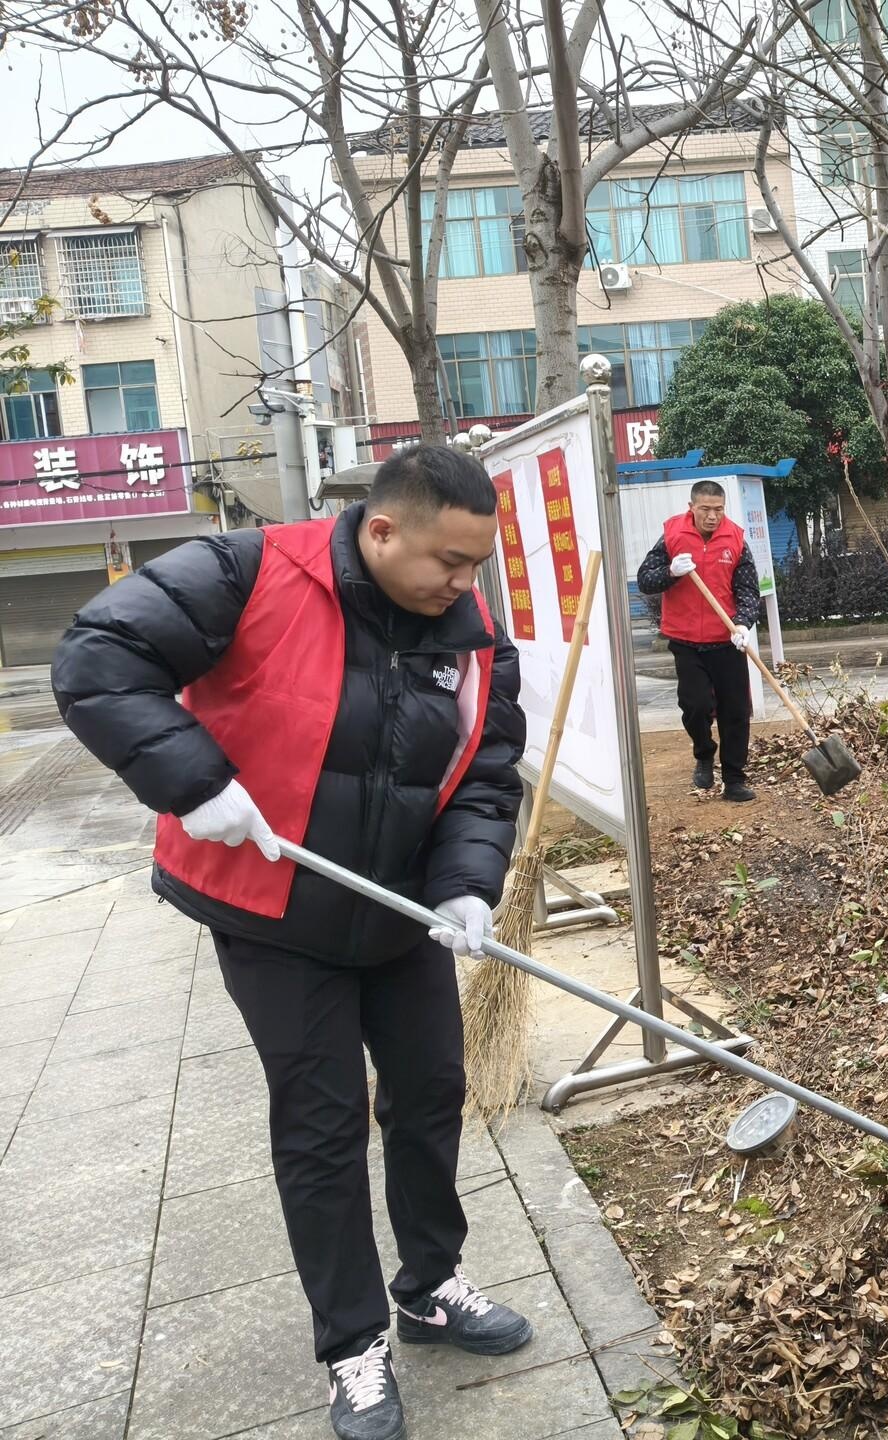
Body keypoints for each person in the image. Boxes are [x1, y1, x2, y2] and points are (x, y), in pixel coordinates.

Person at [53, 446, 532, 1440]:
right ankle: (353, 1346)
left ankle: (432, 1285)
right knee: (320, 1124)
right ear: (382, 528)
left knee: (432, 1090)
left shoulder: (474, 638)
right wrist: (194, 780)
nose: (464, 584)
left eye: (476, 565)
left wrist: (468, 887)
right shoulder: (248, 572)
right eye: (449, 560)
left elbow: (486, 771)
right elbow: (98, 660)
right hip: (273, 912)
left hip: (399, 909)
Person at [636, 479, 762, 801]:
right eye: (705, 509)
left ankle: (734, 779)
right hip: (686, 640)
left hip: (726, 639)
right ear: (691, 507)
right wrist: (671, 572)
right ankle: (704, 752)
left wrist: (743, 623)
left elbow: (747, 589)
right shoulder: (672, 536)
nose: (712, 516)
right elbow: (645, 580)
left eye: (718, 509)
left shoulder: (735, 539)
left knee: (735, 711)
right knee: (695, 706)